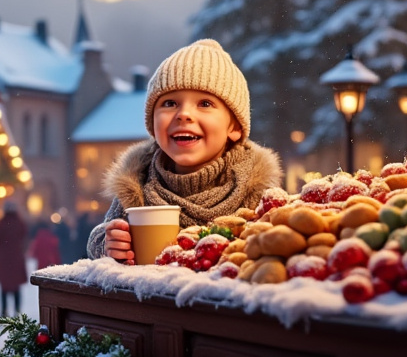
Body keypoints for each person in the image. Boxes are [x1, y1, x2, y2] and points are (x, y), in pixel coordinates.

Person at [86, 39, 282, 263]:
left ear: (235, 127)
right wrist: (109, 245)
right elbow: (100, 237)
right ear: (152, 123)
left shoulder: (256, 190)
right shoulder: (137, 184)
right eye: (169, 103)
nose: (183, 114)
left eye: (205, 104)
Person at [0, 200, 28, 317]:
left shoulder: (2, 223)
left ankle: (4, 310)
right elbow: (24, 238)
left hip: (4, 258)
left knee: (4, 286)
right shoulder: (19, 223)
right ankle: (17, 310)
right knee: (16, 286)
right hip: (16, 257)